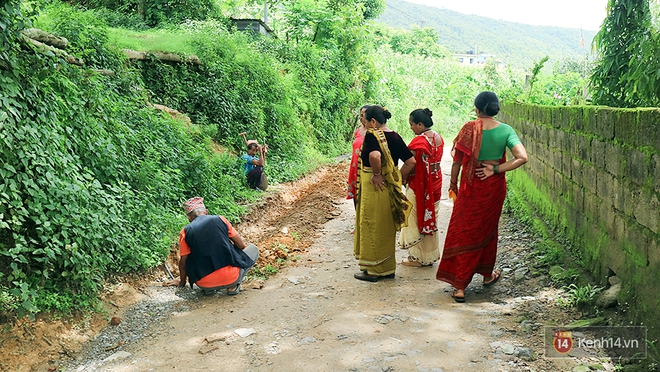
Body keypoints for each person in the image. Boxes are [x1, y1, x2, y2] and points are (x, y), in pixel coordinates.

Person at [436, 91, 528, 302]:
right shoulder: (506, 130)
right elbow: (522, 157)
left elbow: (458, 161)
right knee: (487, 229)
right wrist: (495, 170)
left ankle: (459, 286)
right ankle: (487, 275)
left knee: (463, 231)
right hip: (493, 188)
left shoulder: (469, 129)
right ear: (495, 108)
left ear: (477, 109)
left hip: (470, 187)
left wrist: (452, 184)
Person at [353, 105, 416, 282]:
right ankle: (387, 268)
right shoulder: (395, 136)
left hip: (375, 187)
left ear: (373, 122)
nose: (363, 122)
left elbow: (374, 156)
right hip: (388, 186)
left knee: (372, 224)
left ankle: (374, 270)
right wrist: (399, 179)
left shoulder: (373, 135)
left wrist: (377, 174)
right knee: (385, 226)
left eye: (365, 119)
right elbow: (411, 161)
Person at [165, 197, 259, 295]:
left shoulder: (185, 232)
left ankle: (209, 289)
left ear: (189, 218)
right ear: (206, 212)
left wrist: (182, 282)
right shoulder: (220, 219)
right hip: (231, 278)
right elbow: (241, 245)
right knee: (253, 249)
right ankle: (233, 286)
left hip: (203, 283)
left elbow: (183, 262)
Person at [398, 108, 444, 267]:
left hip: (421, 185)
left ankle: (418, 258)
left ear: (420, 124)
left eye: (412, 124)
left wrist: (400, 178)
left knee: (414, 219)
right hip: (436, 184)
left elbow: (410, 163)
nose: (411, 128)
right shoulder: (438, 137)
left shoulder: (419, 141)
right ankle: (429, 255)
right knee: (431, 218)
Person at [346, 105, 370, 205]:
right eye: (360, 115)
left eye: (364, 115)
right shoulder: (358, 131)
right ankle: (357, 218)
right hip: (355, 167)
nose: (361, 118)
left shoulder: (374, 132)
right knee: (356, 195)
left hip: (365, 168)